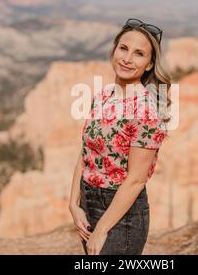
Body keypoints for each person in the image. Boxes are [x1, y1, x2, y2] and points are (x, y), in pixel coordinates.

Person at [68, 18, 172, 255]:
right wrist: (73, 204)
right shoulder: (103, 96)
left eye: (138, 54)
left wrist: (102, 229)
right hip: (88, 202)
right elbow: (84, 155)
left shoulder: (146, 110)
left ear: (148, 65)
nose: (127, 58)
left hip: (122, 215)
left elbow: (136, 179)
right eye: (123, 48)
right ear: (113, 50)